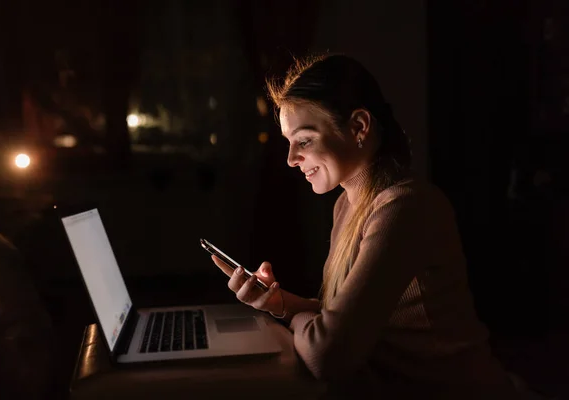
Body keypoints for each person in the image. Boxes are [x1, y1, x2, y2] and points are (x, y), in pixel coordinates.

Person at [210, 54, 519, 399]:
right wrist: (277, 302)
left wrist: (297, 321)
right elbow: (342, 322)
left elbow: (327, 353)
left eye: (305, 140)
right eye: (288, 142)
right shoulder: (347, 204)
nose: (291, 159)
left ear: (358, 127)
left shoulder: (404, 207)